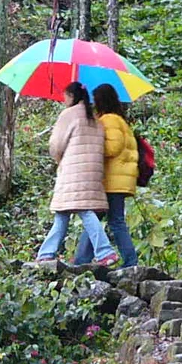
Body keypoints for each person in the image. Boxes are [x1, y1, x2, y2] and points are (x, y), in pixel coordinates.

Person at [35, 82, 120, 269]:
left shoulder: (69, 115)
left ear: (72, 96)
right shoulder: (96, 119)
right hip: (93, 173)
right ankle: (46, 253)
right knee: (69, 213)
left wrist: (59, 160)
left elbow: (56, 145)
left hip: (73, 173)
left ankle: (105, 252)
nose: (63, 100)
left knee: (81, 212)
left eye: (65, 96)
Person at [73, 84, 139, 269]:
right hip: (117, 180)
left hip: (111, 181)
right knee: (97, 218)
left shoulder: (109, 120)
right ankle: (82, 260)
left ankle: (130, 261)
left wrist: (92, 145)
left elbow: (112, 148)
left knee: (111, 220)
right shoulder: (120, 120)